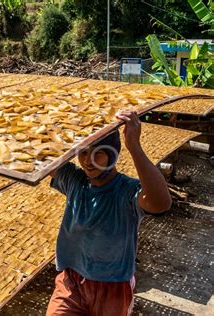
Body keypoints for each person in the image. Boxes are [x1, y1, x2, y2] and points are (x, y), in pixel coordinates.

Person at [46, 110, 172, 316]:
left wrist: (135, 147)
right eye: (83, 152)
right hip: (71, 281)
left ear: (112, 154)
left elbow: (161, 203)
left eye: (99, 153)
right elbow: (43, 151)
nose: (88, 160)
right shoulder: (75, 181)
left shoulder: (126, 191)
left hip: (112, 286)